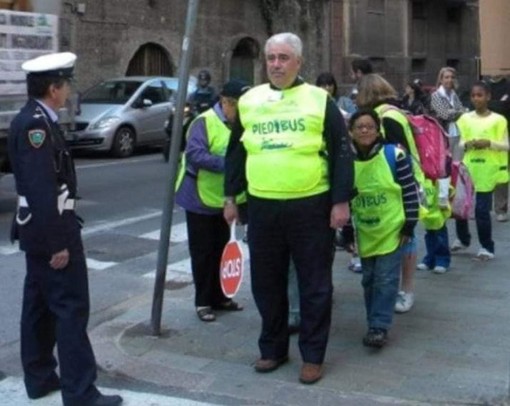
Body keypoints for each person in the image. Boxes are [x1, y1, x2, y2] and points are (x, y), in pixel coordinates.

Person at [223, 32, 353, 384]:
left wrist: (341, 201)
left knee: (314, 284)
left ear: (298, 62)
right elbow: (236, 152)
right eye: (271, 58)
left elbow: (341, 150)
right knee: (266, 283)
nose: (276, 64)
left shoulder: (318, 100)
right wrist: (231, 197)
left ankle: (312, 356)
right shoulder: (250, 100)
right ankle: (273, 349)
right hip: (263, 205)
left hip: (311, 205)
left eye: (283, 58)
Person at [8, 53, 122, 406]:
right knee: (71, 310)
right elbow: (41, 187)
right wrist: (59, 242)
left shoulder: (36, 118)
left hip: (39, 228)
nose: (69, 90)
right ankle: (80, 392)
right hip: (51, 230)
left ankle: (40, 377)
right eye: (66, 84)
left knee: (39, 307)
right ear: (54, 88)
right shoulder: (36, 126)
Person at [176, 79, 250, 322]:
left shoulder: (242, 123)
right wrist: (231, 165)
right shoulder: (204, 122)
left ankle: (221, 297)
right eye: (239, 106)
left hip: (227, 199)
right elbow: (196, 154)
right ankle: (203, 301)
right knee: (203, 252)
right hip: (199, 197)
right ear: (225, 102)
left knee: (223, 249)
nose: (242, 112)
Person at [344, 110, 418, 348]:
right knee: (368, 279)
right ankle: (373, 320)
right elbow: (343, 199)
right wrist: (346, 232)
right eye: (359, 127)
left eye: (370, 126)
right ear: (351, 132)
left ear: (378, 130)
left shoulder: (394, 155)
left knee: (386, 279)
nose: (365, 130)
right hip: (365, 232)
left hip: (392, 230)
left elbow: (409, 191)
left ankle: (379, 326)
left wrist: (409, 224)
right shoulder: (346, 162)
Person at [356, 73, 421, 314]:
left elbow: (396, 152)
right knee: (405, 237)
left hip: (401, 183)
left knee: (407, 236)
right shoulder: (394, 112)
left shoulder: (387, 117)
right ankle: (401, 289)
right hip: (408, 180)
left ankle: (406, 290)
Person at [451, 81, 509, 260]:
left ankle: (487, 246)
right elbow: (459, 142)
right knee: (460, 206)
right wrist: (466, 144)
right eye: (474, 95)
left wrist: (489, 143)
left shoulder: (498, 120)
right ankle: (463, 238)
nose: (476, 99)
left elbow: (506, 145)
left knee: (482, 210)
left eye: (480, 95)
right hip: (468, 167)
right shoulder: (465, 119)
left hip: (488, 170)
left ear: (488, 97)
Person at [487, 75, 510, 222]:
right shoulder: (482, 84)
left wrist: (492, 104)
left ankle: (501, 208)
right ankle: (484, 206)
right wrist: (499, 104)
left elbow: (505, 107)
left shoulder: (508, 85)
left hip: (504, 135)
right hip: (486, 135)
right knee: (486, 171)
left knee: (502, 173)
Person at [430, 67, 465, 161]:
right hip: (444, 134)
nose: (450, 80)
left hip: (458, 132)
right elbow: (444, 114)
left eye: (452, 77)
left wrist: (455, 111)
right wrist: (458, 112)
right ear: (441, 80)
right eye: (447, 77)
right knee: (446, 163)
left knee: (459, 162)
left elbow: (462, 110)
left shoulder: (454, 94)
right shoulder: (436, 95)